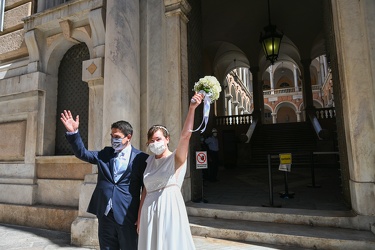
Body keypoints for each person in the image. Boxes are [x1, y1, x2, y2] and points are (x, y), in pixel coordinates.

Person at [60, 110, 148, 250]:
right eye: (112, 136)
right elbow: (83, 154)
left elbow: (146, 189)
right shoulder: (105, 154)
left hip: (127, 215)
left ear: (128, 137)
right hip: (105, 214)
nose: (113, 139)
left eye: (117, 136)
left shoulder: (141, 158)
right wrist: (73, 133)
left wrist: (141, 214)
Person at [136, 92, 204, 250]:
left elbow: (185, 136)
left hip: (169, 209)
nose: (154, 143)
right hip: (148, 211)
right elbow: (145, 190)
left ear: (167, 139)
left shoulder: (176, 158)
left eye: (158, 139)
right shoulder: (148, 161)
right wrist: (140, 216)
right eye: (151, 141)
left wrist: (192, 108)